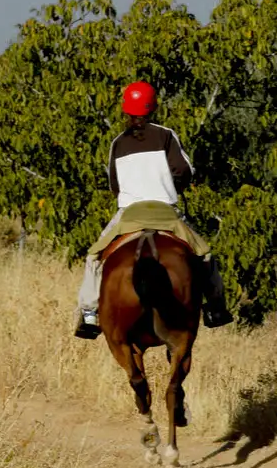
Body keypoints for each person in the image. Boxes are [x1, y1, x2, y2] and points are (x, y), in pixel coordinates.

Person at [74, 80, 232, 338]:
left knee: (94, 256)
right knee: (204, 254)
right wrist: (175, 186)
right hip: (165, 212)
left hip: (129, 214)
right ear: (154, 107)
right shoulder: (166, 135)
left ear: (126, 110)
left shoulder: (117, 143)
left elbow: (114, 183)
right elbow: (183, 170)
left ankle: (90, 314)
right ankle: (215, 307)